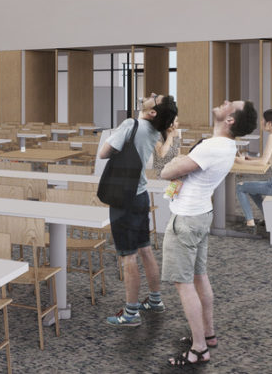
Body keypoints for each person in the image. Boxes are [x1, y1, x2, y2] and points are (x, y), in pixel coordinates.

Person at [158, 98, 258, 367]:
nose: (224, 101)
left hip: (187, 219)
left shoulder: (213, 147)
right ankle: (208, 333)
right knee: (199, 275)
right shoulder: (225, 146)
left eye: (230, 104)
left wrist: (173, 145)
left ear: (230, 120)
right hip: (201, 214)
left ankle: (199, 348)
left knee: (184, 284)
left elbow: (165, 170)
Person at [100, 94, 178, 326]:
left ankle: (131, 313)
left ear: (153, 112)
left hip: (124, 197)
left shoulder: (131, 124)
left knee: (129, 256)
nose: (150, 95)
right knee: (144, 249)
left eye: (155, 98)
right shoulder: (154, 130)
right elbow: (161, 153)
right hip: (140, 195)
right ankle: (155, 300)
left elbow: (103, 153)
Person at [236, 108, 272, 234]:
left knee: (240, 187)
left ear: (269, 123)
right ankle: (268, 216)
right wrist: (251, 159)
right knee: (252, 190)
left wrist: (242, 161)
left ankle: (250, 223)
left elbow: (263, 162)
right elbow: (268, 160)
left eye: (263, 120)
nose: (261, 122)